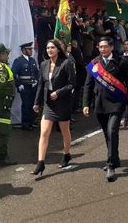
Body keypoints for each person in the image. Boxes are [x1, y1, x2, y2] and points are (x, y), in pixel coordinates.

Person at [83, 37, 128, 182]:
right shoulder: (94, 64)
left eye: (106, 47)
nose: (103, 49)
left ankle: (111, 164)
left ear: (112, 47)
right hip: (100, 103)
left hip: (116, 103)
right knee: (107, 134)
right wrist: (86, 104)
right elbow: (88, 85)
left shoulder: (120, 62)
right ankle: (115, 157)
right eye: (100, 47)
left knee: (112, 131)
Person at [31, 40, 76, 176]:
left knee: (65, 131)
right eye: (47, 48)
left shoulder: (66, 63)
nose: (49, 50)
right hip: (49, 104)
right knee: (44, 132)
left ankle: (66, 154)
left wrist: (58, 93)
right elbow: (41, 85)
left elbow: (72, 84)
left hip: (62, 103)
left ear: (58, 49)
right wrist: (36, 103)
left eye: (52, 48)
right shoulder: (44, 64)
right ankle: (40, 163)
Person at [12, 42, 39, 131]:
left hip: (33, 86)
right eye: (29, 49)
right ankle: (25, 123)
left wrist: (36, 80)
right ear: (24, 50)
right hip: (24, 87)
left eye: (31, 49)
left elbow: (36, 72)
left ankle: (31, 122)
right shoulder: (18, 61)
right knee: (26, 105)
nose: (31, 51)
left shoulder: (32, 60)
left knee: (32, 104)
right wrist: (18, 84)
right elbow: (13, 74)